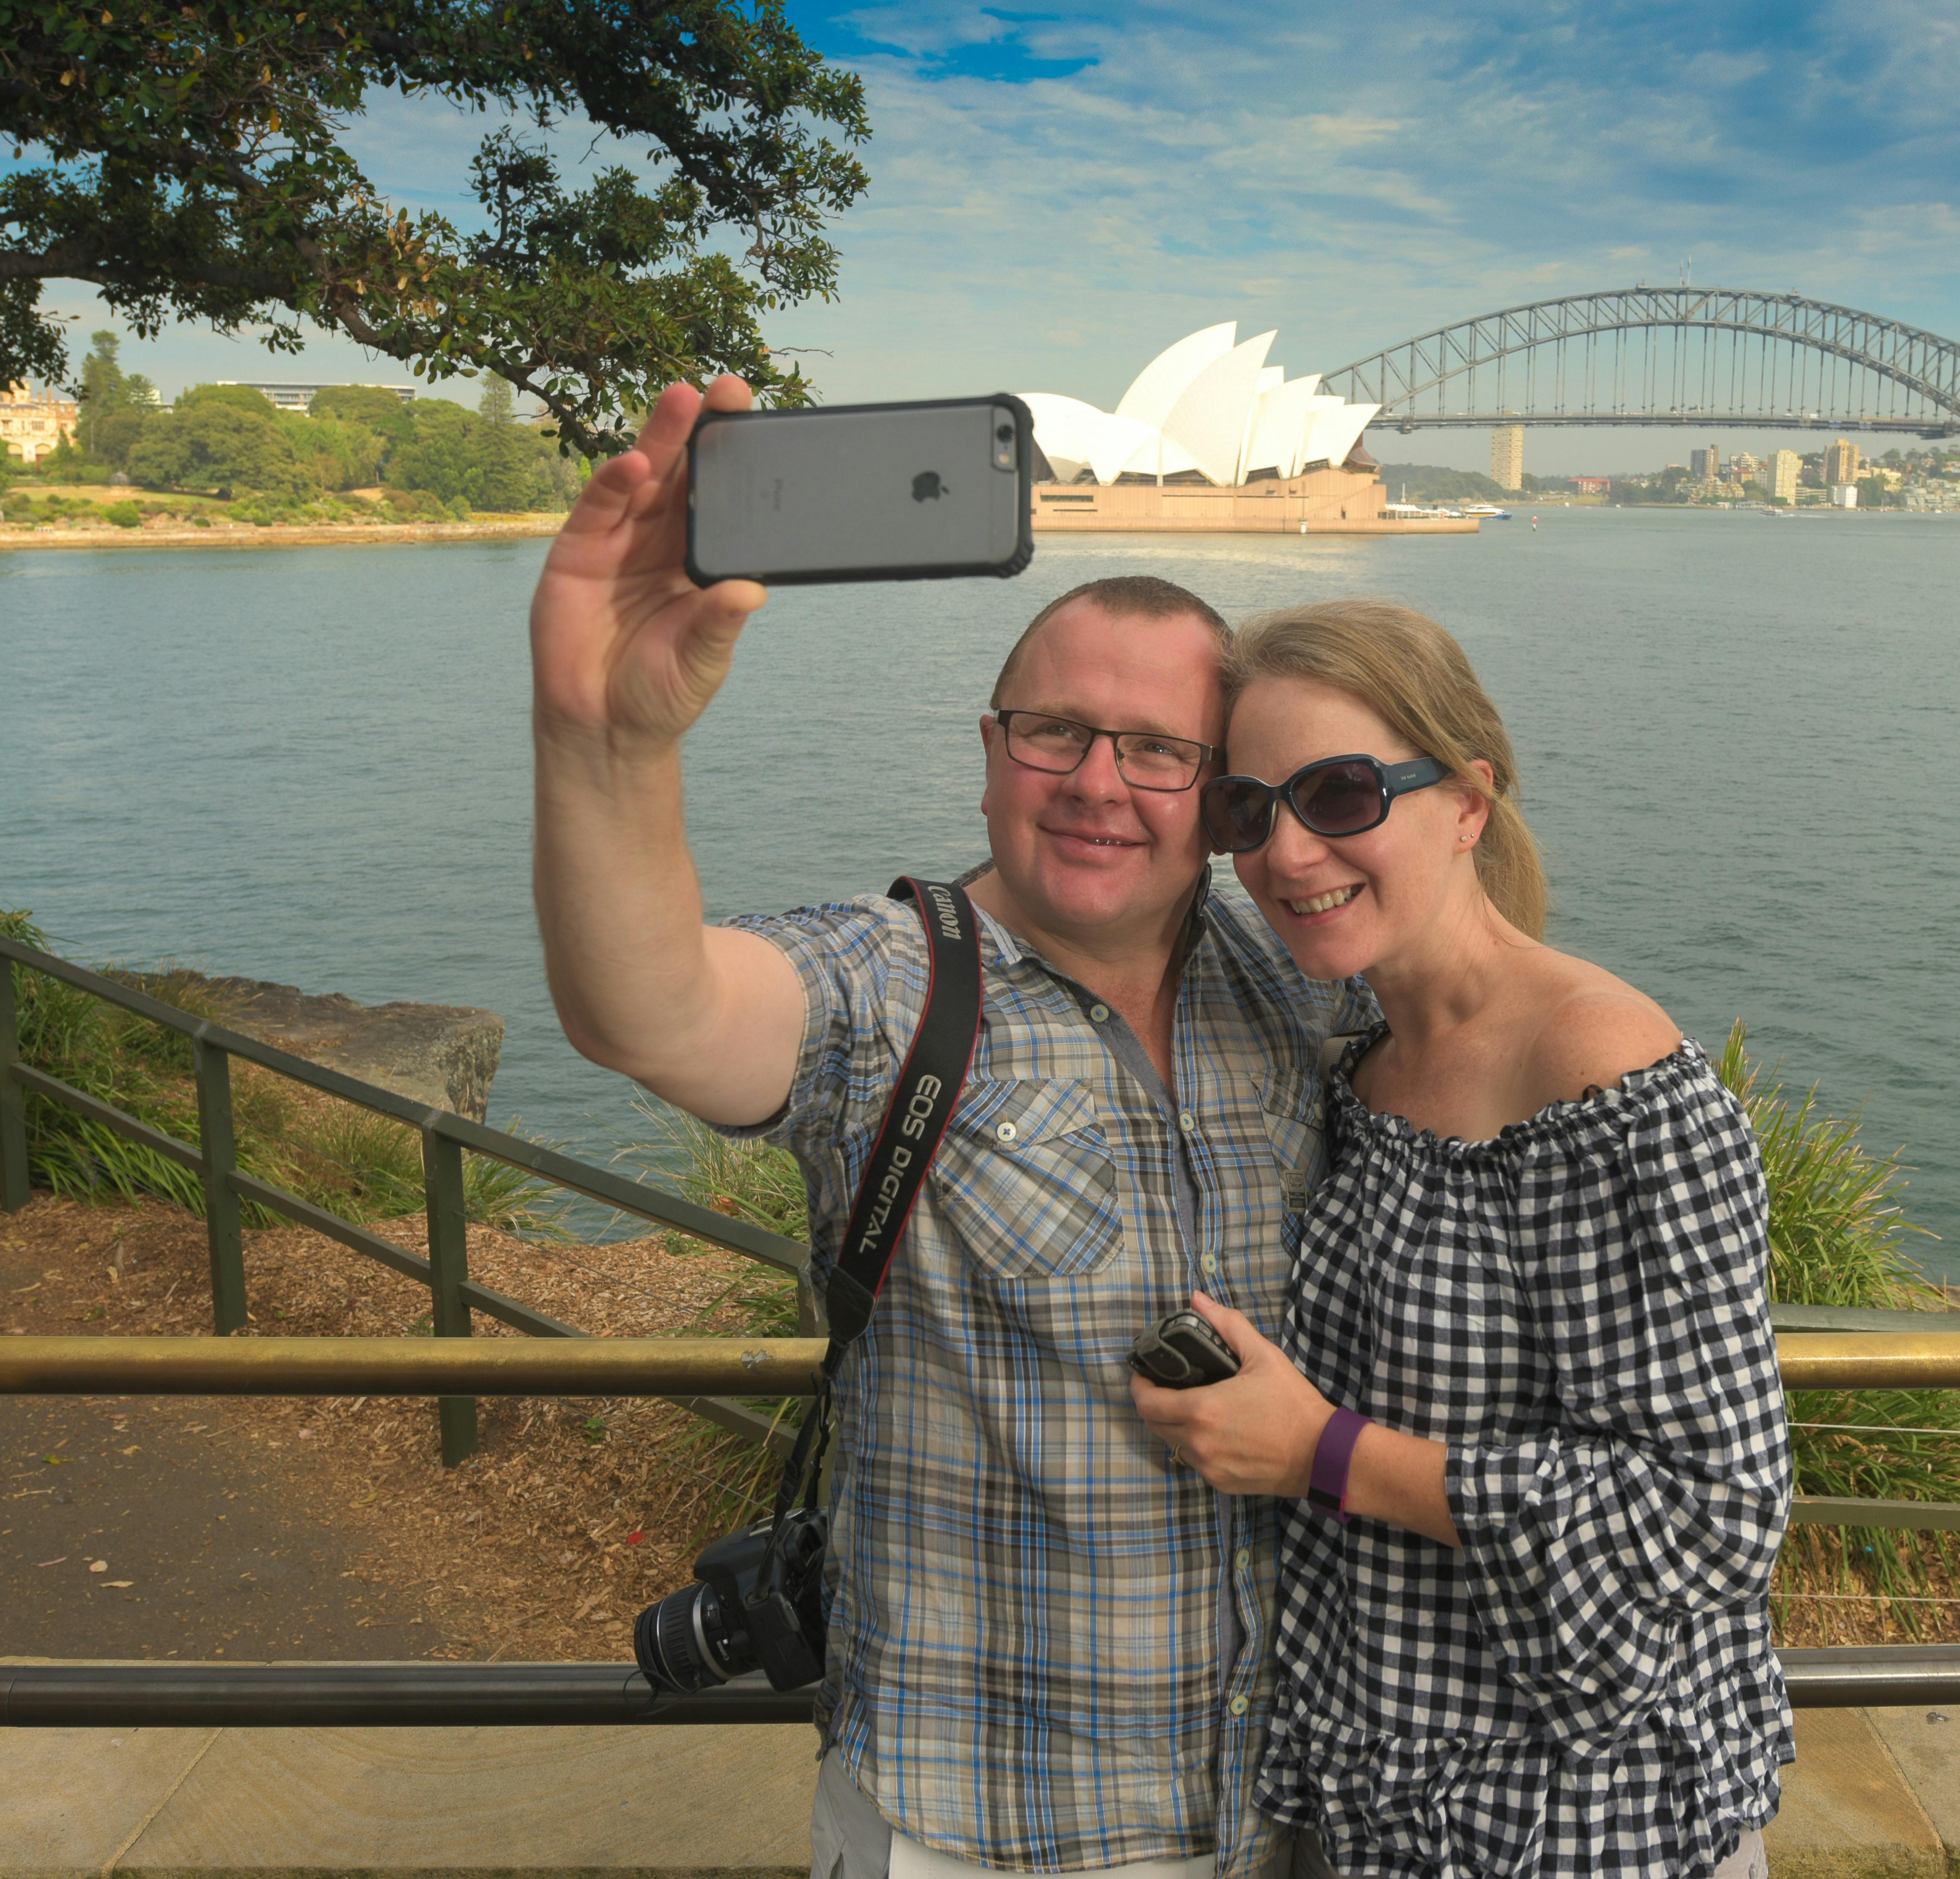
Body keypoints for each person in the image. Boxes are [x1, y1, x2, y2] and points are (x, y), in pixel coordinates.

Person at [530, 376, 1371, 1879]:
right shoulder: (896, 985)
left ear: (1220, 795)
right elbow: (651, 1012)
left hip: (1284, 1805)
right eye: (1055, 732)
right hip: (979, 1822)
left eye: (1157, 750)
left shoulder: (1304, 993)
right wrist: (606, 741)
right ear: (991, 748)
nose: (1099, 785)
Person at [1131, 600, 1793, 1879]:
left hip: (1578, 1823)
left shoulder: (1599, 1074)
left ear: (1468, 801)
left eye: (1339, 792)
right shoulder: (1359, 1053)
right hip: (1383, 1800)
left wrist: (1321, 1451)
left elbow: (1715, 1512)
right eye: (1246, 810)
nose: (1285, 850)